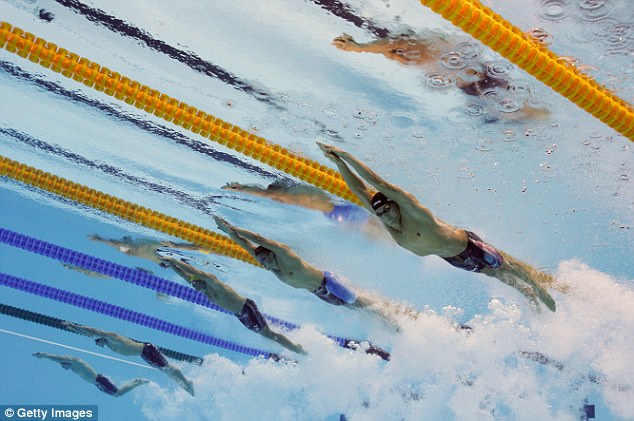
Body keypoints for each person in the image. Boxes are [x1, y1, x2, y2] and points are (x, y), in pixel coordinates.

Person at [317, 142, 557, 312]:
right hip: (453, 259)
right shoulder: (391, 224)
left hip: (468, 246)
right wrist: (336, 163)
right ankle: (526, 293)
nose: (384, 217)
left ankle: (537, 286)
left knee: (508, 266)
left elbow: (374, 182)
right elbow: (358, 191)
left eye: (387, 210)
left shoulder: (412, 211)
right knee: (495, 275)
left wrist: (344, 155)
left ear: (395, 204)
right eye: (379, 213)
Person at [332, 32, 549, 121]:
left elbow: (394, 43)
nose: (397, 60)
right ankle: (539, 116)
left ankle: (543, 116)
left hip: (483, 79)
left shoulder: (421, 47)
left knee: (522, 112)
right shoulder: (423, 55)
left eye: (394, 55)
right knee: (514, 113)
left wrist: (359, 47)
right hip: (476, 84)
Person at [159, 256, 306, 355]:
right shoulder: (203, 288)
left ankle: (296, 348)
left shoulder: (213, 283)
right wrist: (172, 265)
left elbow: (193, 272)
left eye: (194, 282)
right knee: (265, 335)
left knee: (268, 334)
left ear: (200, 279)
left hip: (246, 309)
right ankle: (291, 342)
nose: (192, 285)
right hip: (240, 315)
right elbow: (186, 275)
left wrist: (173, 259)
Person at [62, 322, 195, 396]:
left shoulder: (112, 337)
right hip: (143, 354)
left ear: (100, 338)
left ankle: (187, 382)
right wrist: (74, 329)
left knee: (167, 368)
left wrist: (75, 326)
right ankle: (184, 383)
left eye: (97, 342)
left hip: (147, 350)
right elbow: (90, 334)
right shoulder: (108, 344)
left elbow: (92, 330)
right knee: (166, 371)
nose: (97, 345)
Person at [222, 180, 371, 226]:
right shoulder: (299, 188)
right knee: (375, 229)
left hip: (339, 212)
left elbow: (263, 192)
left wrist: (240, 188)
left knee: (374, 229)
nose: (276, 201)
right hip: (335, 210)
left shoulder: (286, 194)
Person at [32, 352, 149, 397]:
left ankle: (138, 382)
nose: (63, 367)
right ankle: (137, 382)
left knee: (117, 393)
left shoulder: (75, 361)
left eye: (62, 364)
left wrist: (45, 355)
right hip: (97, 383)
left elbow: (57, 357)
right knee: (117, 394)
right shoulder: (73, 367)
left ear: (66, 361)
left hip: (99, 380)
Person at [88, 234, 209, 267]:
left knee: (172, 249)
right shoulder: (128, 249)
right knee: (172, 249)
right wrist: (99, 239)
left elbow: (118, 243)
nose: (124, 238)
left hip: (160, 256)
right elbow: (116, 243)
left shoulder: (137, 241)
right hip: (159, 256)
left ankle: (198, 252)